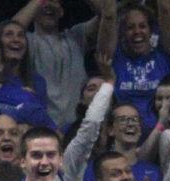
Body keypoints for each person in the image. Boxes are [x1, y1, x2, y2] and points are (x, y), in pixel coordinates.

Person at [10, 0, 117, 128]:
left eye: (54, 2)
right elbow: (10, 29)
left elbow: (107, 13)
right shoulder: (27, 41)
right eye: (44, 3)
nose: (49, 5)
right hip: (41, 127)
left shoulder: (76, 36)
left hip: (77, 127)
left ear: (61, 12)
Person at [113, 2, 170, 135]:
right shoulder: (117, 58)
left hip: (165, 134)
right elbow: (108, 15)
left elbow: (165, 9)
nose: (137, 31)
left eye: (142, 26)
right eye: (130, 27)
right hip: (126, 136)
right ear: (122, 32)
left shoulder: (166, 56)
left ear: (151, 31)